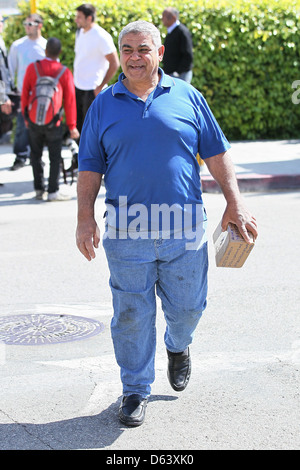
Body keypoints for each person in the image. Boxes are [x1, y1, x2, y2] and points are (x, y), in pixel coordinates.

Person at [76, 20, 258, 427]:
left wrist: (235, 202)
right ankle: (135, 388)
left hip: (185, 227)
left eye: (143, 49)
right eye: (127, 49)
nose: (134, 57)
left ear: (160, 53)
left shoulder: (188, 97)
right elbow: (89, 165)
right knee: (131, 314)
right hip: (127, 231)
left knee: (189, 307)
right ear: (120, 55)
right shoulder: (103, 104)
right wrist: (84, 217)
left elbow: (216, 152)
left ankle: (179, 346)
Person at [21, 37, 79, 201]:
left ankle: (39, 189)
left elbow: (25, 93)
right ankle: (53, 191)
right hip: (54, 121)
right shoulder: (64, 72)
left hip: (33, 120)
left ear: (45, 51)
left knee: (35, 154)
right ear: (59, 52)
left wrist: (26, 117)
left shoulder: (33, 68)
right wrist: (72, 125)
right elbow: (69, 101)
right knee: (55, 156)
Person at [73, 4, 119, 142]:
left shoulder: (102, 36)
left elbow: (115, 63)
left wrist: (100, 86)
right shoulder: (79, 32)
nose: (76, 20)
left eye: (79, 17)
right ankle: (79, 161)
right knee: (79, 128)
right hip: (78, 87)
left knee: (92, 131)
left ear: (89, 18)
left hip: (92, 90)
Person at [8, 13, 47, 171]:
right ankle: (20, 157)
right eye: (25, 23)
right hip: (23, 94)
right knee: (21, 128)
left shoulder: (45, 45)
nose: (27, 26)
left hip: (42, 95)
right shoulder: (18, 45)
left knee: (40, 128)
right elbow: (10, 70)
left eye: (30, 24)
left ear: (39, 25)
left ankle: (36, 158)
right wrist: (9, 93)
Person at [162, 7, 193, 83]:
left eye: (164, 17)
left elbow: (188, 55)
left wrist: (178, 72)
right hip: (171, 74)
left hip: (180, 75)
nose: (162, 19)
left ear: (173, 18)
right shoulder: (171, 31)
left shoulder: (182, 32)